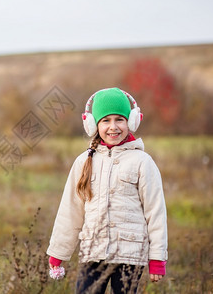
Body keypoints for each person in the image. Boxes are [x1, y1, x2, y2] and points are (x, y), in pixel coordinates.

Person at [46, 88, 168, 293]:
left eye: (119, 119)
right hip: (92, 251)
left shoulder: (142, 162)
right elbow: (70, 211)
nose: (113, 127)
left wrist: (157, 258)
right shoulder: (84, 161)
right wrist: (59, 252)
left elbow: (155, 212)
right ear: (93, 124)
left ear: (131, 121)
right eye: (105, 120)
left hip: (130, 254)